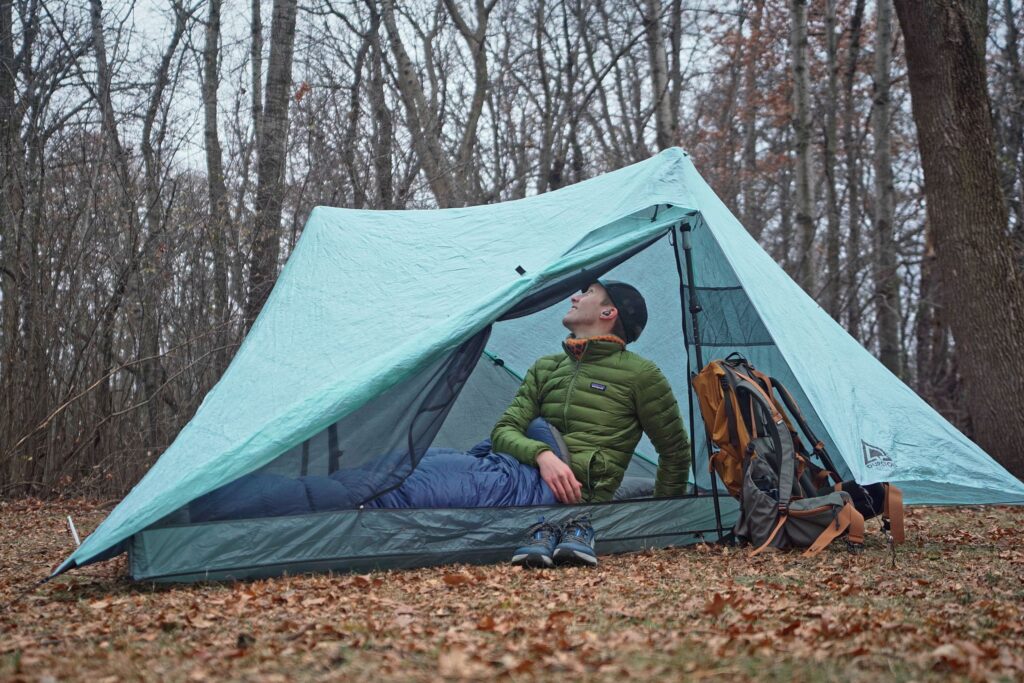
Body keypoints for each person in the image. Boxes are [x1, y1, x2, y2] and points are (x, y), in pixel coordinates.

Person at [492, 280, 691, 567]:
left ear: (609, 313)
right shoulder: (545, 367)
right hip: (514, 475)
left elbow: (674, 452)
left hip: (567, 497)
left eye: (588, 293)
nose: (574, 296)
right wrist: (542, 455)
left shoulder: (640, 375)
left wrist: (657, 522)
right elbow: (503, 430)